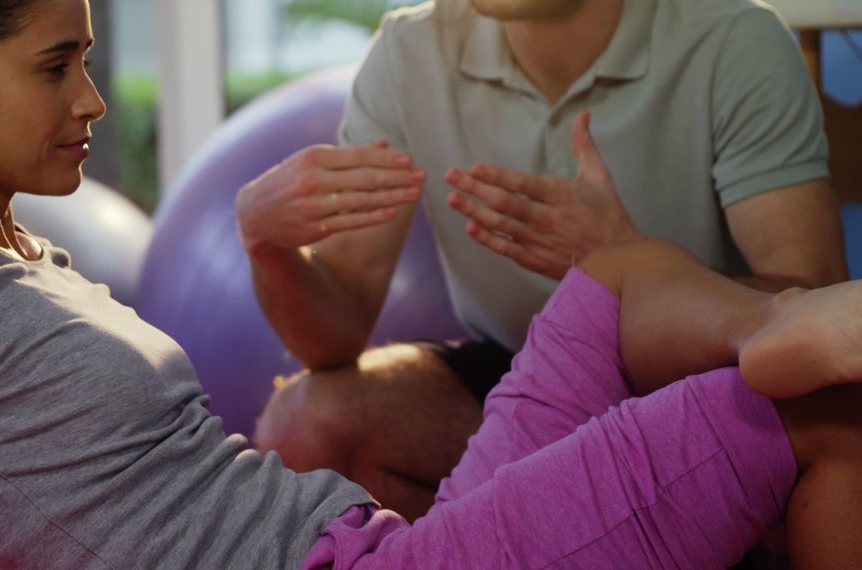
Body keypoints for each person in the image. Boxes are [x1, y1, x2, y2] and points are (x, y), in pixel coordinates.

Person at [0, 0, 862, 568]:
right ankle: (793, 341)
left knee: (620, 273)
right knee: (821, 423)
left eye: (85, 59)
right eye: (55, 65)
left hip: (376, 541)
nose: (93, 98)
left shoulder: (19, 268)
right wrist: (268, 244)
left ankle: (786, 319)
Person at [236, 0, 849, 517]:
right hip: (513, 377)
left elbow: (813, 308)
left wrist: (631, 268)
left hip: (689, 388)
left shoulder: (734, 37)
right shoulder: (409, 50)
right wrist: (266, 244)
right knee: (306, 425)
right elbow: (332, 340)